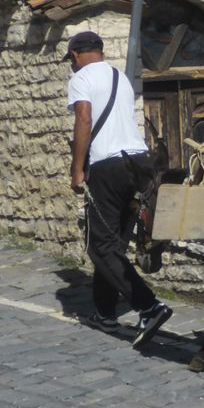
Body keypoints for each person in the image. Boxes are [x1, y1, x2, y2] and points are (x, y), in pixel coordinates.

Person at [63, 30, 172, 349]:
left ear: (75, 55)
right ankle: (105, 312)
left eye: (70, 59)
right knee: (113, 244)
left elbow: (84, 120)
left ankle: (150, 307)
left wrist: (77, 167)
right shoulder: (119, 77)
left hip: (108, 166)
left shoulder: (81, 78)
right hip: (139, 163)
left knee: (100, 247)